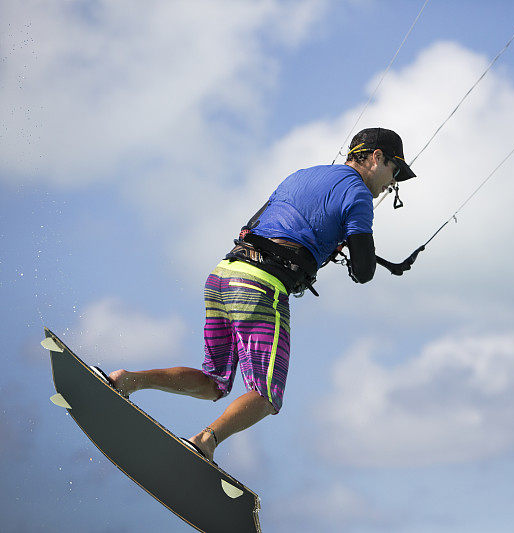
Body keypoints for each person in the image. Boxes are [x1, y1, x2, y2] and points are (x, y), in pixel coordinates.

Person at [108, 127, 418, 462]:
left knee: (215, 382)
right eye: (394, 170)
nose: (393, 182)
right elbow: (364, 272)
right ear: (375, 158)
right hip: (259, 287)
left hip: (223, 275)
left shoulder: (303, 174)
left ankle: (128, 381)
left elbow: (267, 222)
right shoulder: (358, 196)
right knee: (267, 395)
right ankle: (204, 442)